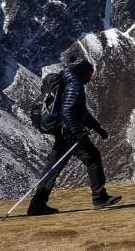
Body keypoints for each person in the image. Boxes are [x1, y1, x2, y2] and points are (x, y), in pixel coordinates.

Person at [27, 58, 121, 216]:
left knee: (53, 166)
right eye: (90, 73)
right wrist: (77, 132)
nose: (91, 77)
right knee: (93, 158)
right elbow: (68, 112)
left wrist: (97, 128)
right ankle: (99, 197)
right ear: (83, 72)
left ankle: (37, 204)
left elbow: (80, 112)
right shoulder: (75, 85)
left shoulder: (66, 81)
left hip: (62, 132)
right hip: (70, 134)